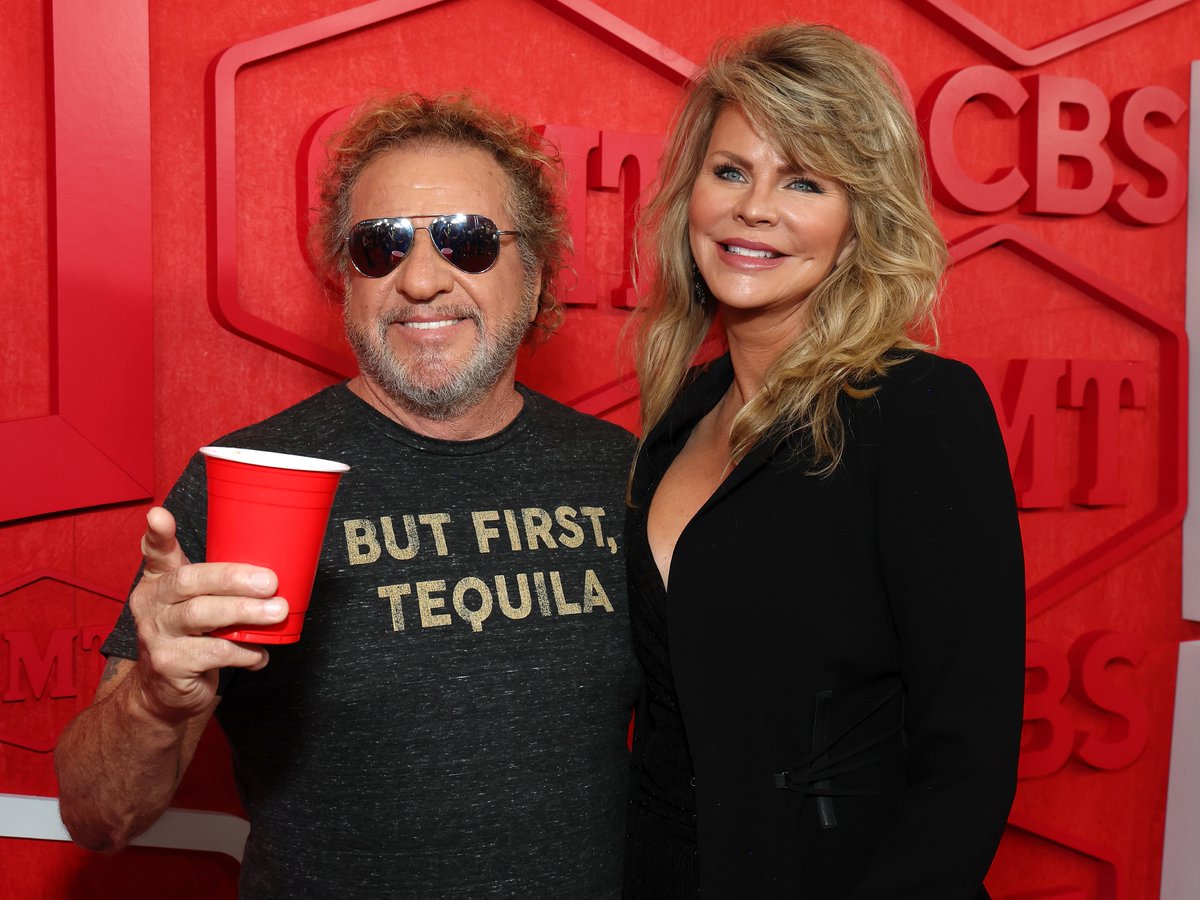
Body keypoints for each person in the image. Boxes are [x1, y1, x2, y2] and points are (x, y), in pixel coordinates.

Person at [55, 93, 640, 898]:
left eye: (468, 242)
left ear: (535, 273)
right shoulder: (246, 481)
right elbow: (98, 816)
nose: (422, 280)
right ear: (346, 280)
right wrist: (153, 702)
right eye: (381, 247)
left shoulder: (622, 475)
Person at [622, 24, 1025, 899]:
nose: (753, 208)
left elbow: (969, 762)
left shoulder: (921, 411)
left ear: (858, 222)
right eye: (730, 171)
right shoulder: (679, 414)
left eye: (803, 181)